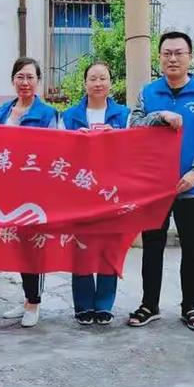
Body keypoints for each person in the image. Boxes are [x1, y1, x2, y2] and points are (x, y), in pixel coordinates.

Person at [127, 31, 194, 331]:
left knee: (193, 248)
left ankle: (191, 306)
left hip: (191, 187)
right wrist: (159, 115)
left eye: (179, 53)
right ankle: (149, 305)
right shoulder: (149, 92)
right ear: (160, 57)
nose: (173, 58)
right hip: (155, 188)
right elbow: (133, 125)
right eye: (167, 53)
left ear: (189, 57)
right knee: (153, 245)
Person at [60, 62, 130, 325]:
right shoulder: (69, 116)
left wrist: (118, 137)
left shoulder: (124, 115)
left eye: (103, 78)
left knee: (108, 248)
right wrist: (73, 141)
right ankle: (83, 304)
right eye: (93, 78)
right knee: (81, 248)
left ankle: (104, 304)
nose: (98, 83)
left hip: (112, 191)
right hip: (80, 191)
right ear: (85, 83)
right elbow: (58, 154)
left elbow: (134, 151)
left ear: (111, 83)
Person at [0, 57, 57, 327]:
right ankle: (25, 299)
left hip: (35, 191)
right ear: (13, 80)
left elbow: (55, 151)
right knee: (16, 246)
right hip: (7, 190)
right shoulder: (3, 112)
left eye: (30, 77)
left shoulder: (47, 114)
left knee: (34, 246)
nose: (25, 82)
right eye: (20, 76)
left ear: (38, 81)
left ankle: (34, 302)